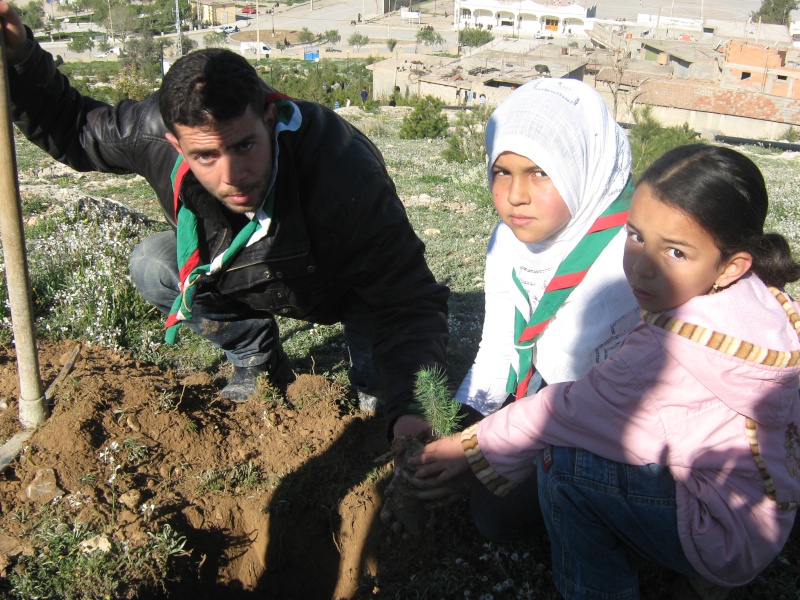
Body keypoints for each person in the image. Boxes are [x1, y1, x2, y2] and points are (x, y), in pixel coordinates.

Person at [0, 3, 449, 430]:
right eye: (206, 155)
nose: (232, 175)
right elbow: (76, 127)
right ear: (175, 145)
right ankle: (256, 358)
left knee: (384, 397)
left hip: (343, 286)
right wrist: (21, 56)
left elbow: (406, 295)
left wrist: (410, 407)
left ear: (269, 118)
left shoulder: (339, 165)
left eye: (244, 145)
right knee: (152, 263)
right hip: (243, 277)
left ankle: (375, 390)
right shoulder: (153, 136)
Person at [410, 144, 800, 599]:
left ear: (731, 265)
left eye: (675, 252)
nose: (642, 265)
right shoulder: (760, 301)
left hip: (722, 528)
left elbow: (564, 410)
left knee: (565, 466)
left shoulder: (668, 348)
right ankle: (701, 584)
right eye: (635, 235)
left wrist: (468, 445)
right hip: (764, 505)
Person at [433, 78, 638, 543]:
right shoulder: (509, 240)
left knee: (499, 512)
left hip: (621, 425)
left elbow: (624, 402)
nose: (515, 194)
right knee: (482, 500)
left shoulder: (634, 255)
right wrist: (467, 419)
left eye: (540, 172)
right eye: (502, 171)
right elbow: (502, 341)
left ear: (583, 166)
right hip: (550, 399)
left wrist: (484, 451)